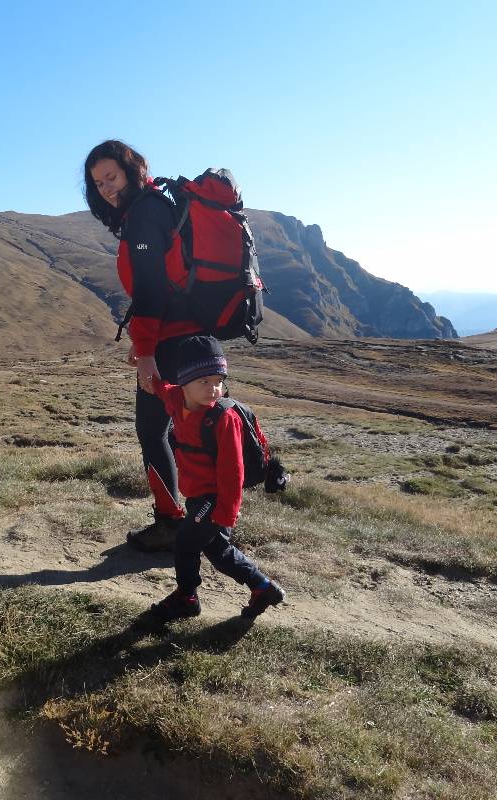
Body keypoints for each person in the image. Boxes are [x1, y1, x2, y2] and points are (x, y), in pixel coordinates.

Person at [84, 139, 204, 552]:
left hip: (171, 341)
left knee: (153, 433)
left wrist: (148, 353)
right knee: (181, 431)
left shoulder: (144, 213)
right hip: (189, 336)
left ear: (131, 171)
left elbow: (151, 289)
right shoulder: (157, 205)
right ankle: (203, 521)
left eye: (111, 177)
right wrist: (143, 341)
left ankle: (171, 524)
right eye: (98, 183)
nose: (106, 189)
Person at [146, 335, 285, 620]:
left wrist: (226, 513)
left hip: (215, 498)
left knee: (185, 543)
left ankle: (187, 597)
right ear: (184, 382)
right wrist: (148, 374)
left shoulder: (224, 419)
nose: (214, 389)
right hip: (197, 495)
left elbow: (233, 472)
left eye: (218, 381)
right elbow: (162, 388)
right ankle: (262, 587)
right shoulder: (176, 399)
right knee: (219, 551)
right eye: (204, 381)